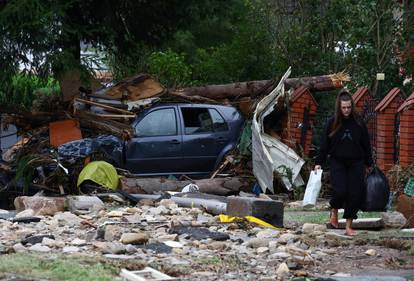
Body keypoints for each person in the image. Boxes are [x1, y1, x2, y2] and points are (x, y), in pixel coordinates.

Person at [314, 89, 373, 236]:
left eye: (349, 107)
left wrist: (368, 163)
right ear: (339, 108)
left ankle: (348, 227)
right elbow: (324, 144)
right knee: (340, 191)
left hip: (356, 163)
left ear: (352, 106)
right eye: (344, 107)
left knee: (355, 194)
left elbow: (366, 144)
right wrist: (318, 162)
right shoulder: (332, 123)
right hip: (337, 161)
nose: (346, 110)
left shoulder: (359, 122)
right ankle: (334, 209)